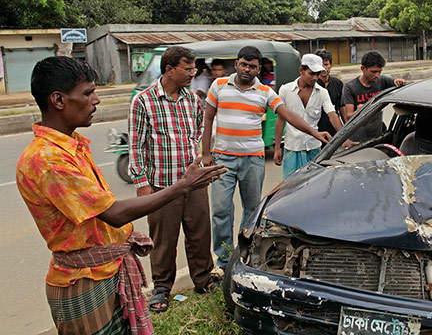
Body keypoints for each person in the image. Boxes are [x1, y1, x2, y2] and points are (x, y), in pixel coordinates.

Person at [16, 56, 226, 334]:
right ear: (58, 100)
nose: (96, 100)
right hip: (82, 281)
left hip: (105, 273)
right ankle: (162, 286)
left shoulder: (72, 145)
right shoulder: (48, 159)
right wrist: (181, 185)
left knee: (199, 234)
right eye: (88, 93)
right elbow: (113, 213)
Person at [201, 46, 331, 272]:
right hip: (223, 159)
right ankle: (224, 261)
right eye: (243, 64)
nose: (247, 69)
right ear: (237, 64)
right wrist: (205, 153)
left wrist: (315, 133)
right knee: (221, 210)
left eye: (252, 66)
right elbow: (208, 119)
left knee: (251, 211)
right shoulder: (219, 85)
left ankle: (243, 257)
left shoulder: (265, 92)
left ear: (258, 69)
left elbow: (288, 115)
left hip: (253, 159)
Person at [128, 46, 220, 313]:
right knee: (164, 239)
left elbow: (197, 137)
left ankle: (203, 278)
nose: (193, 73)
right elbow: (136, 145)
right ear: (169, 70)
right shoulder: (144, 101)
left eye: (194, 69)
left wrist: (203, 165)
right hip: (162, 185)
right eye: (187, 69)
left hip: (194, 182)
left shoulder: (192, 100)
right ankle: (162, 288)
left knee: (199, 233)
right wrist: (142, 184)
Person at [274, 54, 343, 178]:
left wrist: (344, 136)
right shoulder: (285, 90)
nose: (315, 78)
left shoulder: (322, 92)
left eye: (318, 74)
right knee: (290, 186)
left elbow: (332, 115)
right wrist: (277, 148)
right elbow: (280, 120)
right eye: (312, 73)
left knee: (314, 185)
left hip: (313, 147)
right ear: (301, 70)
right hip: (292, 147)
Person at [341, 50, 406, 141]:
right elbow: (349, 116)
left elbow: (399, 85)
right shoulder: (350, 87)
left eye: (379, 72)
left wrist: (399, 82)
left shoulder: (382, 80)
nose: (377, 75)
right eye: (374, 72)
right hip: (358, 137)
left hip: (377, 133)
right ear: (363, 68)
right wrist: (360, 111)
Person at [314, 48, 344, 136]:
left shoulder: (338, 84)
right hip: (317, 132)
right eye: (320, 65)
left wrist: (345, 129)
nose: (323, 68)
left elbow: (342, 108)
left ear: (331, 65)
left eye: (326, 64)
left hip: (335, 131)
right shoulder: (312, 85)